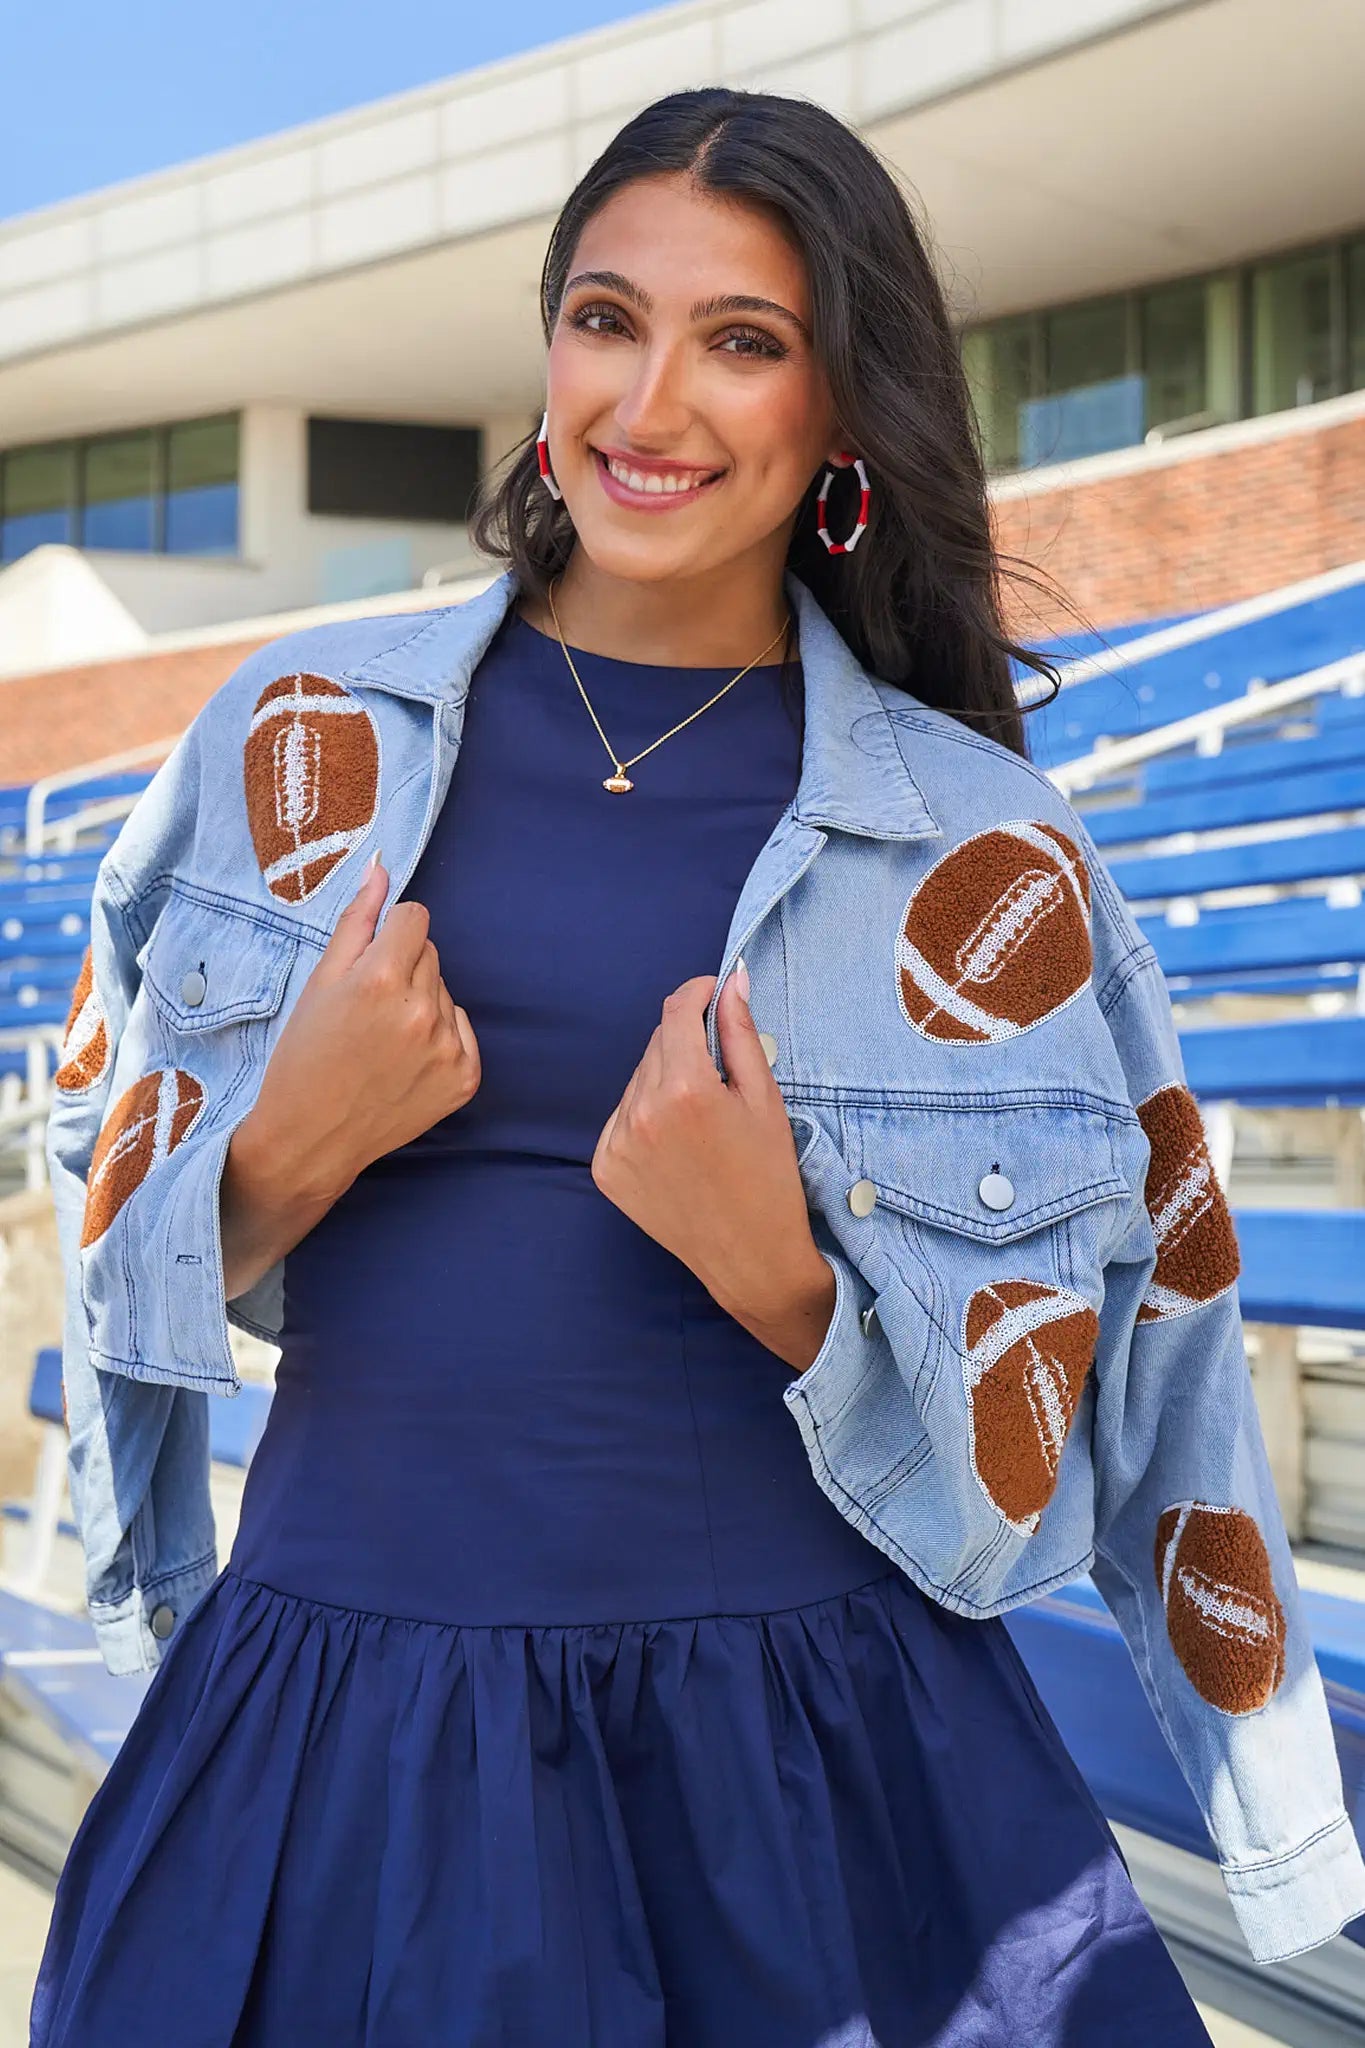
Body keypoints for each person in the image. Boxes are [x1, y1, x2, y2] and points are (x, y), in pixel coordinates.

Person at [32, 85, 1363, 2047]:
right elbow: (86, 1174)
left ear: (839, 410)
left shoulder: (983, 846)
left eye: (740, 341)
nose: (646, 403)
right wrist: (265, 1173)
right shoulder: (278, 743)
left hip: (820, 1769)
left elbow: (1119, 1397)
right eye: (601, 318)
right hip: (342, 1743)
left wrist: (790, 1291)